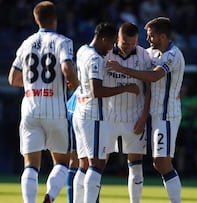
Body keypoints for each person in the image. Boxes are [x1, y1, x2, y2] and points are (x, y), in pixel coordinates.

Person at [107, 17, 185, 203]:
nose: (148, 39)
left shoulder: (173, 55)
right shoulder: (151, 53)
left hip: (166, 114)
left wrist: (123, 69)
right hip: (150, 112)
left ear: (163, 36)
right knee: (144, 161)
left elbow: (155, 76)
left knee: (161, 162)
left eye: (151, 36)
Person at [7, 1, 79, 203]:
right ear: (55, 19)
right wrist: (74, 82)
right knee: (63, 161)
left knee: (30, 165)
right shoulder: (63, 41)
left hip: (30, 107)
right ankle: (49, 198)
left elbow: (13, 79)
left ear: (36, 19)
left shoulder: (26, 43)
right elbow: (66, 68)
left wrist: (33, 83)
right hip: (55, 107)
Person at [72, 22, 140, 203]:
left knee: (83, 164)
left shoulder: (81, 51)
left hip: (80, 110)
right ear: (104, 39)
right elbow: (97, 91)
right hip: (93, 114)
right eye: (111, 43)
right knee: (97, 164)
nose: (112, 48)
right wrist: (126, 87)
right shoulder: (95, 59)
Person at [104, 22, 151, 203]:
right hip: (109, 116)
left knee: (136, 164)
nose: (129, 48)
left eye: (133, 44)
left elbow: (149, 89)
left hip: (134, 116)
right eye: (125, 44)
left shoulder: (143, 55)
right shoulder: (106, 53)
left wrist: (144, 116)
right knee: (99, 162)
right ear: (118, 38)